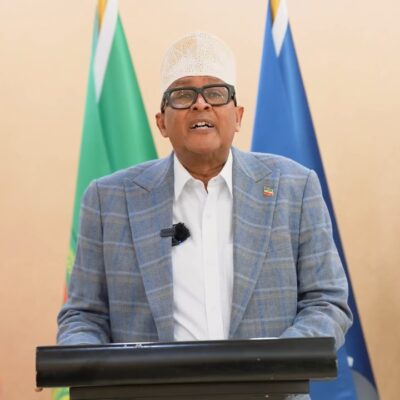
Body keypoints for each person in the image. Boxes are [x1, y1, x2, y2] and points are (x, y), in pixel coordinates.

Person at [57, 32, 352, 353]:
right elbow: (84, 316)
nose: (201, 103)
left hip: (268, 380)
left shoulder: (294, 187)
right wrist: (81, 357)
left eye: (215, 93)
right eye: (183, 95)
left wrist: (276, 362)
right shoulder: (108, 200)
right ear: (161, 123)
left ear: (238, 117)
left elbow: (326, 302)